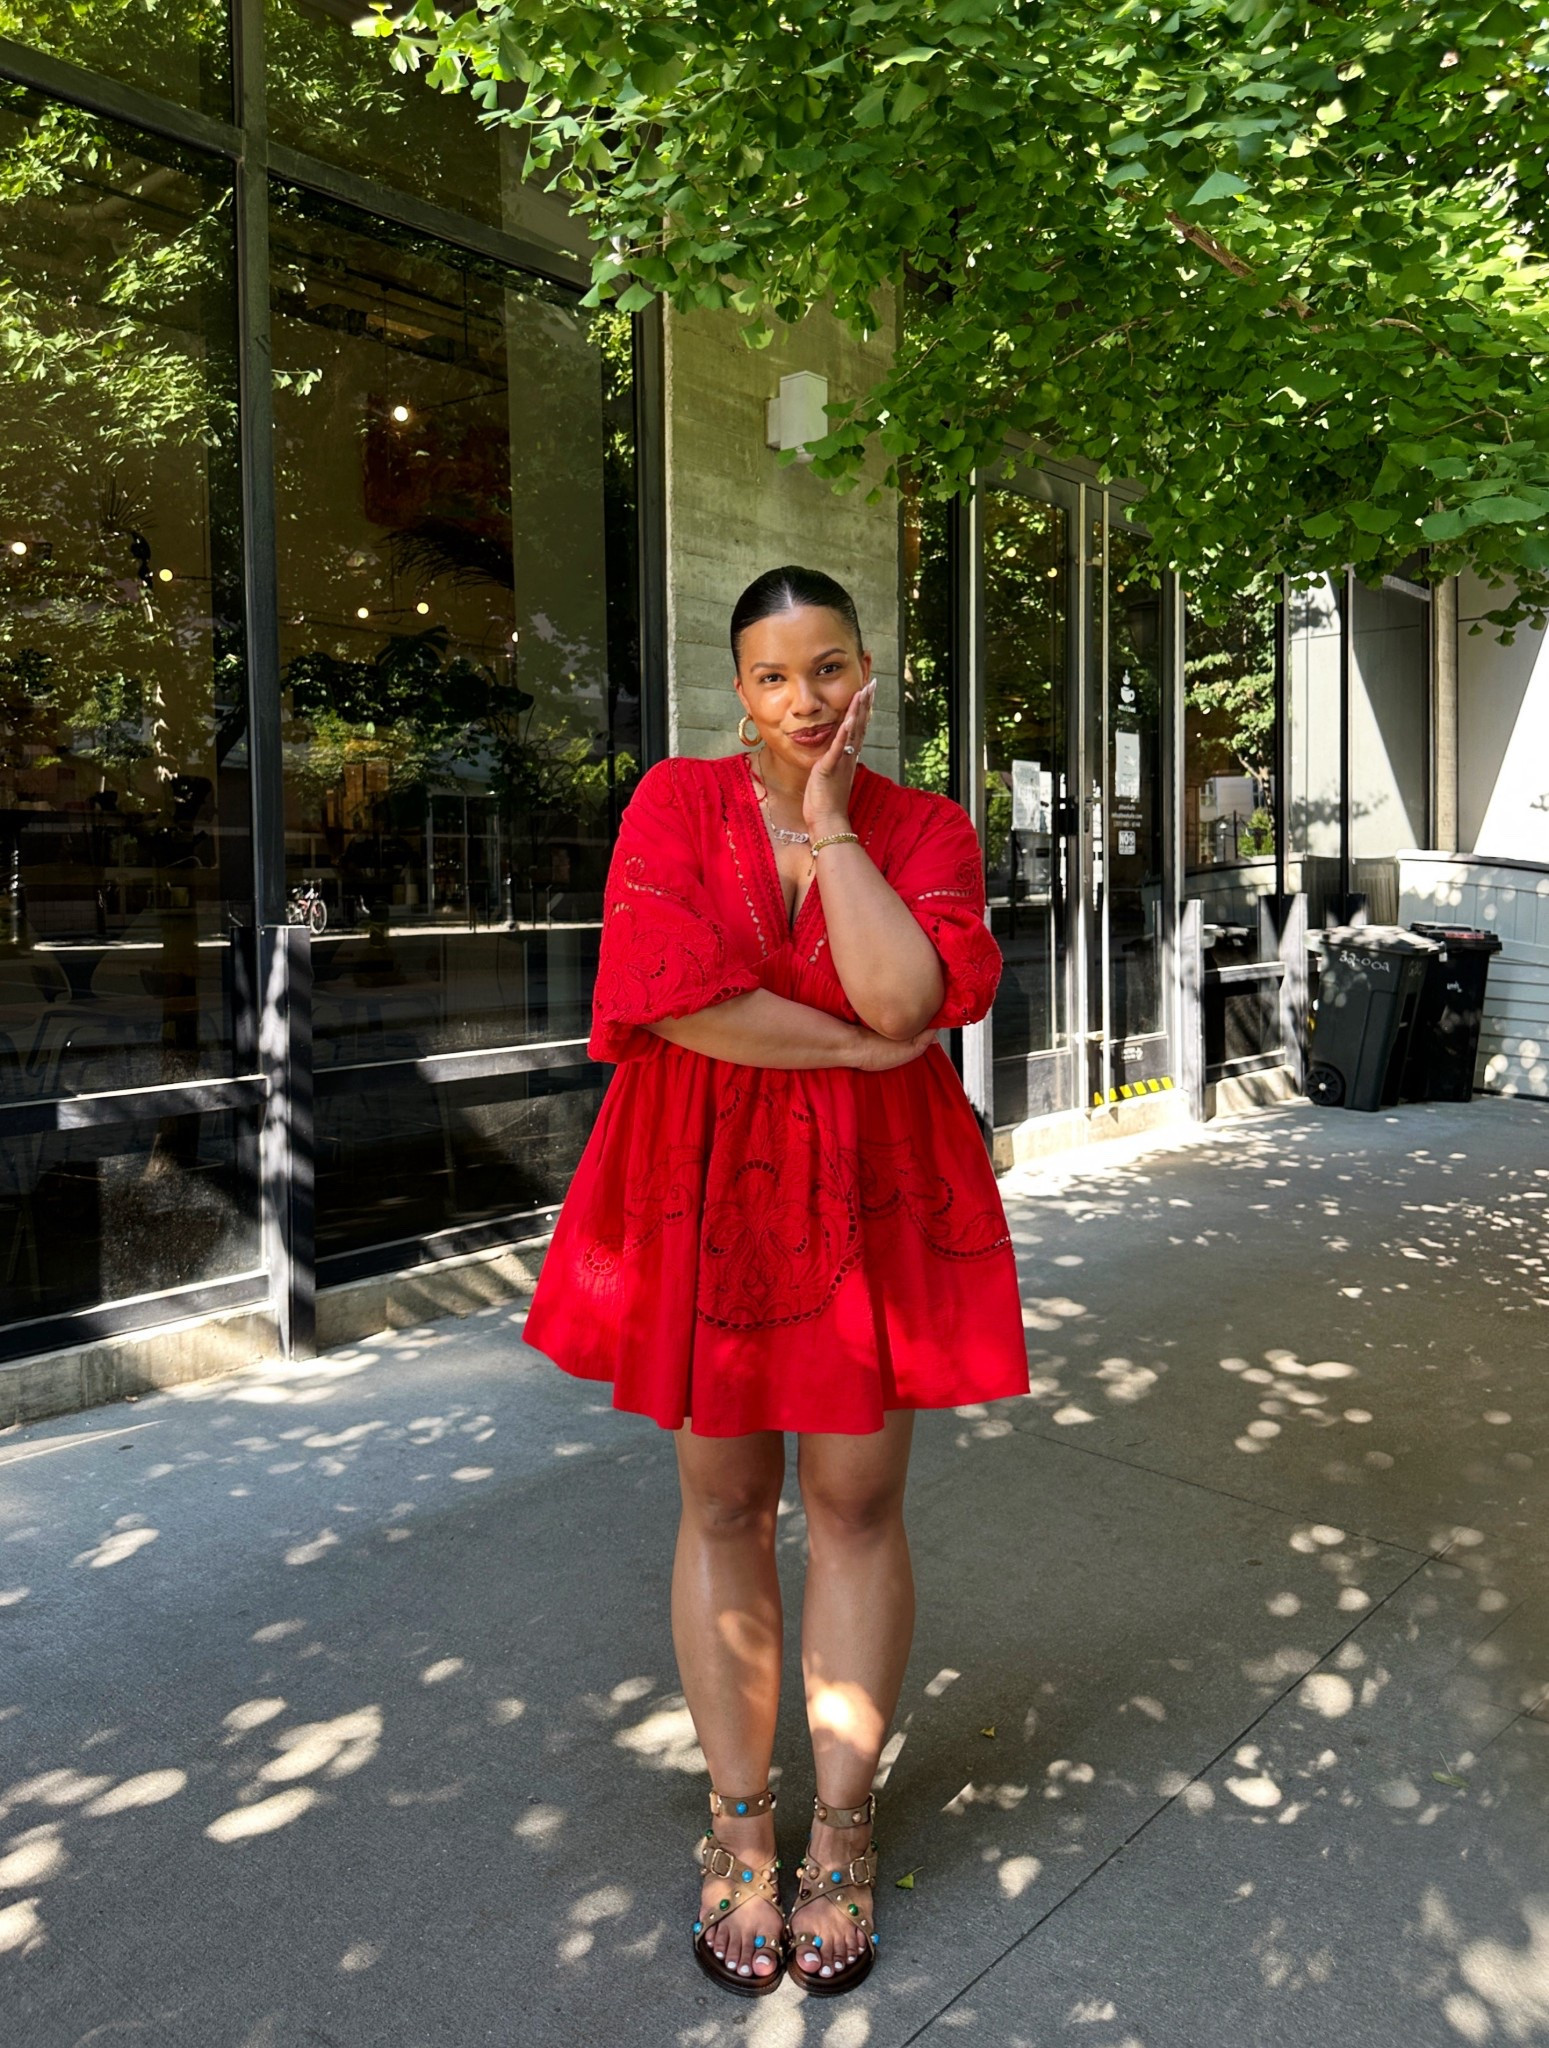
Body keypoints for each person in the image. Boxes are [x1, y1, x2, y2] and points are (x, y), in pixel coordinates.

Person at [523, 566, 1028, 1998]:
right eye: (771, 676)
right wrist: (866, 1049)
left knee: (858, 1504)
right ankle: (741, 1825)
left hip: (877, 1203)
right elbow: (671, 1001)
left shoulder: (924, 825)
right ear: (734, 688)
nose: (802, 701)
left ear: (867, 673)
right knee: (724, 1502)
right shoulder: (671, 805)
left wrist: (827, 832)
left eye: (827, 670)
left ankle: (844, 1833)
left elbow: (904, 1000)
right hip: (702, 1192)